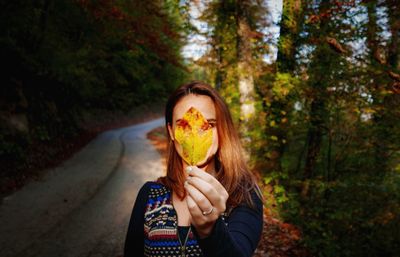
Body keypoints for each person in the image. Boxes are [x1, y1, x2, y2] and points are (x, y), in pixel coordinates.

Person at [124, 81, 263, 257]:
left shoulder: (245, 195)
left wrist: (211, 231)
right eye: (184, 125)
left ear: (221, 130)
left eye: (209, 125)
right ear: (172, 131)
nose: (196, 134)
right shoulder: (150, 195)